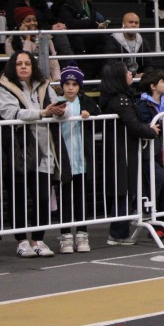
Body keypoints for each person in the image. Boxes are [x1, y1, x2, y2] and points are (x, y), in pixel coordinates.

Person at [0, 50, 66, 257]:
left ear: (33, 66)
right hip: (18, 151)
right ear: (13, 66)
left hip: (45, 151)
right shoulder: (4, 87)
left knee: (43, 197)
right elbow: (11, 113)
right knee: (18, 196)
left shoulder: (44, 85)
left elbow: (60, 108)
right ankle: (21, 241)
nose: (23, 67)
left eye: (27, 63)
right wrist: (42, 113)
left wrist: (61, 111)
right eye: (19, 63)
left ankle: (38, 240)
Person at [99, 60, 161, 246]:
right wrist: (151, 131)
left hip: (121, 149)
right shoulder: (121, 100)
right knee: (123, 189)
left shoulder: (115, 98)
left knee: (123, 190)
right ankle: (119, 232)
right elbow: (133, 125)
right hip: (123, 150)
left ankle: (119, 230)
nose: (131, 74)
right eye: (127, 72)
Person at [56, 65, 100, 254]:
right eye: (67, 84)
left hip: (82, 159)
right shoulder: (56, 102)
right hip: (63, 159)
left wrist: (89, 115)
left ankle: (82, 234)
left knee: (81, 198)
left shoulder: (86, 101)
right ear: (62, 86)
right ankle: (65, 236)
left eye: (74, 84)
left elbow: (99, 115)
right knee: (65, 199)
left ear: (79, 86)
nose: (70, 87)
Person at [135, 70, 164, 234]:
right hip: (151, 152)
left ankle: (163, 222)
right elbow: (146, 126)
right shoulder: (142, 104)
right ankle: (153, 220)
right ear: (153, 86)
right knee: (156, 182)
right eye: (163, 81)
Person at [6, 7, 61, 80]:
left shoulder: (44, 37)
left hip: (43, 78)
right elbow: (24, 60)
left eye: (34, 20)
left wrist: (57, 81)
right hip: (21, 79)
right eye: (28, 21)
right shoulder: (10, 41)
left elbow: (54, 63)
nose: (33, 23)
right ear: (20, 24)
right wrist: (27, 39)